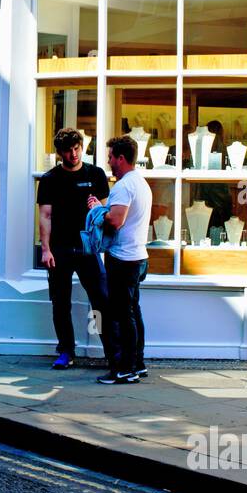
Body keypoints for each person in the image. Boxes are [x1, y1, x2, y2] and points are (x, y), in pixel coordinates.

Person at [37, 127, 112, 370]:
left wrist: (97, 208)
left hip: (89, 248)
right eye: (68, 150)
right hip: (60, 249)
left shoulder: (96, 174)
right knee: (61, 303)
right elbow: (45, 215)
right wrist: (45, 249)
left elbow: (105, 214)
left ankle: (111, 351)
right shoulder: (50, 179)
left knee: (100, 300)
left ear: (82, 147)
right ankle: (66, 351)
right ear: (59, 153)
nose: (73, 154)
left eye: (77, 148)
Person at [88, 135, 152, 385]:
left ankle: (125, 368)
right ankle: (138, 363)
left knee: (123, 316)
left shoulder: (125, 186)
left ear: (121, 158)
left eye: (111, 157)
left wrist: (95, 210)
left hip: (124, 259)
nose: (109, 162)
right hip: (138, 257)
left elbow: (116, 221)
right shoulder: (140, 182)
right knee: (133, 311)